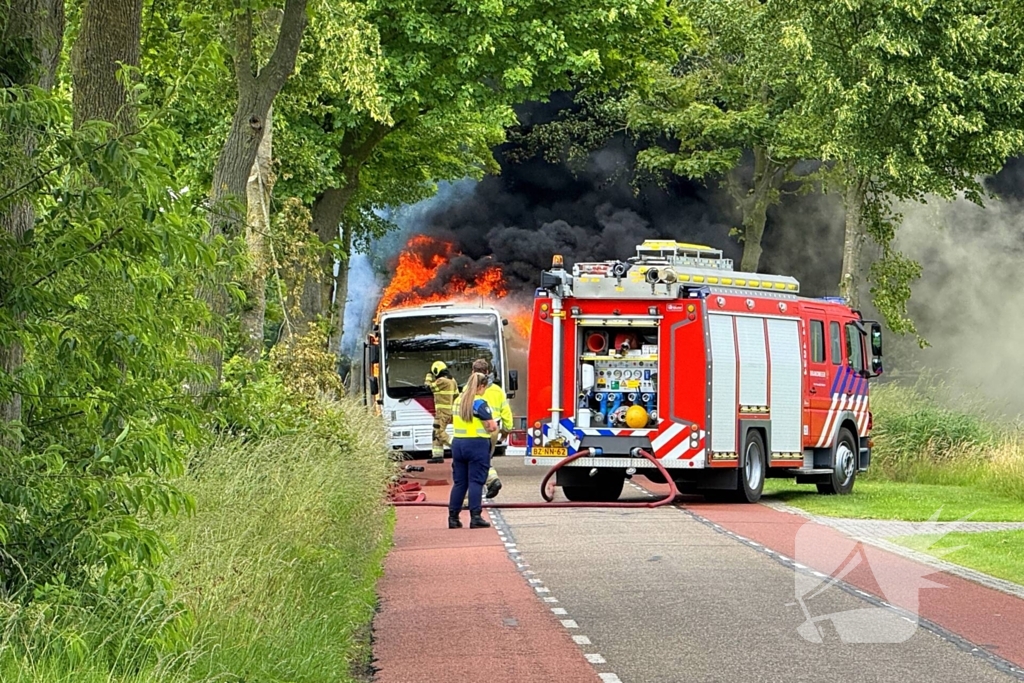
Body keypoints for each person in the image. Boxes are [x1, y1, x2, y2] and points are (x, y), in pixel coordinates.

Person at [448, 373, 497, 529]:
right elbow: (492, 426)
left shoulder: (457, 401)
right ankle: (475, 516)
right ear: (480, 386)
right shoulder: (479, 403)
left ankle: (453, 517)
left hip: (458, 445)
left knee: (460, 483)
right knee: (476, 481)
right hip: (477, 444)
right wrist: (488, 426)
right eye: (485, 387)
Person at [472, 358, 513, 499]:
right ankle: (492, 480)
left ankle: (491, 481)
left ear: (472, 372)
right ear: (488, 372)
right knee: (486, 457)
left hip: (475, 430)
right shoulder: (497, 390)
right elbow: (506, 413)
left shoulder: (468, 389)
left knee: (476, 461)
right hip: (494, 430)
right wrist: (506, 431)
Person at [424, 360, 457, 464]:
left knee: (439, 432)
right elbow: (456, 395)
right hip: (448, 411)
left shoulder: (442, 381)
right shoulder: (453, 381)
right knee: (435, 432)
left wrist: (428, 376)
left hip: (442, 412)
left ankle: (457, 446)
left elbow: (428, 387)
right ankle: (437, 455)